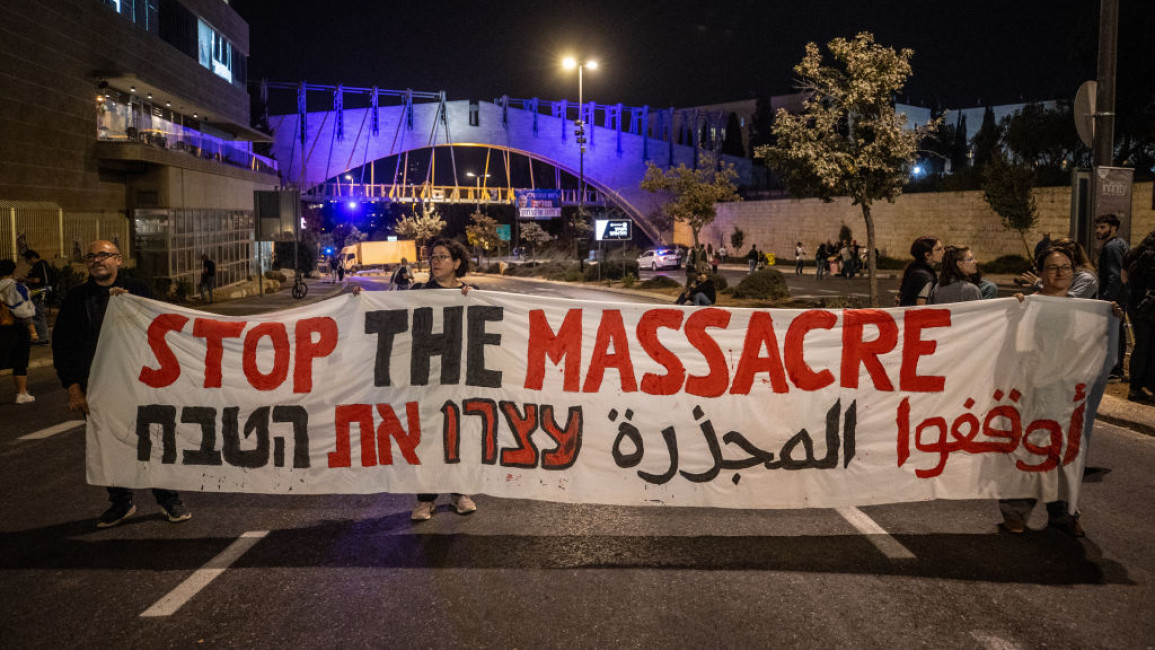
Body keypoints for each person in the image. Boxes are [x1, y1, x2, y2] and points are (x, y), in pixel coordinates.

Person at [53, 240, 191, 528]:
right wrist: (73, 387)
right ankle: (120, 502)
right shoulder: (77, 299)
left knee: (153, 439)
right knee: (109, 443)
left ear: (118, 260)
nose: (96, 260)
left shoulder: (137, 290)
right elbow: (63, 345)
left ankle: (168, 499)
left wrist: (132, 306)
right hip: (99, 386)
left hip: (140, 382)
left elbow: (161, 326)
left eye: (103, 255)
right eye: (91, 256)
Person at [1001, 247, 1122, 537]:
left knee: (1064, 452)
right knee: (1030, 449)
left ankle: (1065, 512)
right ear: (1041, 272)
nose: (1060, 273)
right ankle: (1015, 511)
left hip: (1068, 393)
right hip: (1032, 389)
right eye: (1053, 268)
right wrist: (1015, 309)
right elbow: (1009, 344)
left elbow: (1098, 350)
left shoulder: (1084, 309)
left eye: (1066, 267)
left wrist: (1111, 318)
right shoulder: (1026, 305)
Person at [408, 239, 478, 521]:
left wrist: (473, 298)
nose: (435, 261)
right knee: (428, 437)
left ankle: (461, 493)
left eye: (442, 257)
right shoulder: (416, 292)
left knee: (460, 435)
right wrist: (359, 298)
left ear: (457, 262)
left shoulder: (470, 293)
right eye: (432, 257)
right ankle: (426, 500)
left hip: (460, 377)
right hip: (427, 377)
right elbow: (385, 310)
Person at [0, 259, 38, 404]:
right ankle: (22, 393)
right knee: (19, 361)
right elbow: (24, 312)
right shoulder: (17, 287)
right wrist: (33, 331)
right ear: (13, 271)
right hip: (15, 329)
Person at [1095, 214, 1129, 378]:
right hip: (1122, 296)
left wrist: (1106, 300)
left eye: (1102, 227)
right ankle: (1117, 369)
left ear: (1113, 228)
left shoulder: (1111, 247)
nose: (1098, 231)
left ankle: (1114, 369)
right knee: (1118, 332)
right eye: (1098, 227)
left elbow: (1114, 276)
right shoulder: (1121, 243)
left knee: (1113, 333)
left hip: (1115, 297)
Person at [1124, 230, 1155, 403]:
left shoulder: (1132, 255)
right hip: (1150, 307)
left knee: (1141, 346)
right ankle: (1149, 387)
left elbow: (1124, 279)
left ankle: (1135, 388)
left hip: (1136, 306)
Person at [897, 236, 944, 306]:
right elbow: (921, 306)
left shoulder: (914, 268)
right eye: (939, 249)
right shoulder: (925, 277)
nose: (943, 251)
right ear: (927, 255)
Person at [20, 249, 51, 343]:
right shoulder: (43, 264)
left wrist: (24, 279)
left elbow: (37, 280)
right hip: (42, 292)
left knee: (38, 315)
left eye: (27, 260)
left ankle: (43, 337)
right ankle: (41, 336)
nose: (27, 262)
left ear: (33, 257)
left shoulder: (38, 265)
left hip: (39, 293)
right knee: (38, 314)